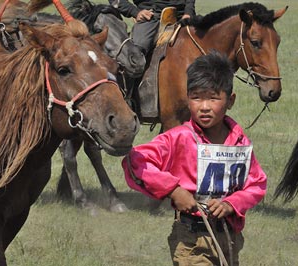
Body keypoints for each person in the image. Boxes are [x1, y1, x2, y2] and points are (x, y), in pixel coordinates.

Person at [122, 51, 267, 265]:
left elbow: (257, 183)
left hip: (230, 238)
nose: (204, 106)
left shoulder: (240, 142)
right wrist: (173, 190)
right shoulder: (178, 137)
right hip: (191, 239)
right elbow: (136, 160)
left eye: (213, 97)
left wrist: (231, 203)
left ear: (230, 100)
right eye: (196, 97)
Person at [114, 0, 195, 55]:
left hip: (182, 15)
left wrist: (189, 12)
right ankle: (131, 80)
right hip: (150, 16)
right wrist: (134, 12)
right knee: (136, 52)